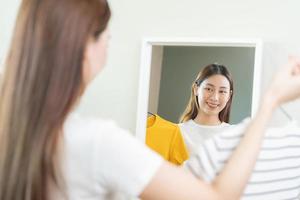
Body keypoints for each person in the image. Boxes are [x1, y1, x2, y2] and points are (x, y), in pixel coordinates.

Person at [0, 0, 300, 199]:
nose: (215, 97)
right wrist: (270, 102)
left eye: (223, 91)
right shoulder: (96, 141)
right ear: (83, 47)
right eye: (106, 36)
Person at [179, 64, 234, 155]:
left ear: (229, 96)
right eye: (209, 89)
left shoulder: (234, 135)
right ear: (196, 89)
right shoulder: (178, 132)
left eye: (222, 91)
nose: (215, 98)